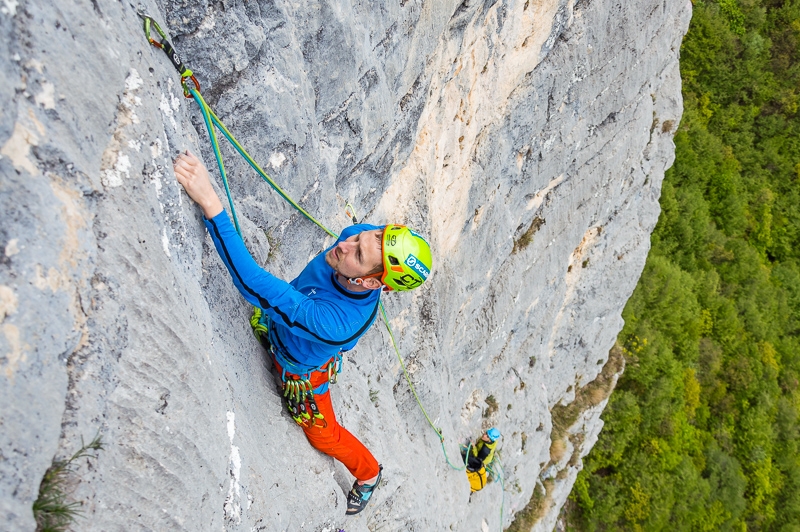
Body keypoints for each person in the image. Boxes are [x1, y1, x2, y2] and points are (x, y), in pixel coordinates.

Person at [173, 150, 432, 515]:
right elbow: (280, 290)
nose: (346, 244)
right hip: (289, 326)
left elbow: (251, 283)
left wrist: (209, 201)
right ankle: (275, 328)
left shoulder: (338, 323)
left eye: (358, 255)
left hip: (302, 372)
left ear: (371, 282)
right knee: (280, 313)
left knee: (323, 434)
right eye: (367, 236)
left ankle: (369, 473)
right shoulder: (356, 240)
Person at [465, 427, 501, 493]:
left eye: (487, 436)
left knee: (468, 461)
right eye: (486, 433)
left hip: (482, 459)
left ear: (490, 440)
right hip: (486, 456)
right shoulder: (493, 440)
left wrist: (473, 447)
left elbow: (477, 458)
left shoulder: (485, 451)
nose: (484, 435)